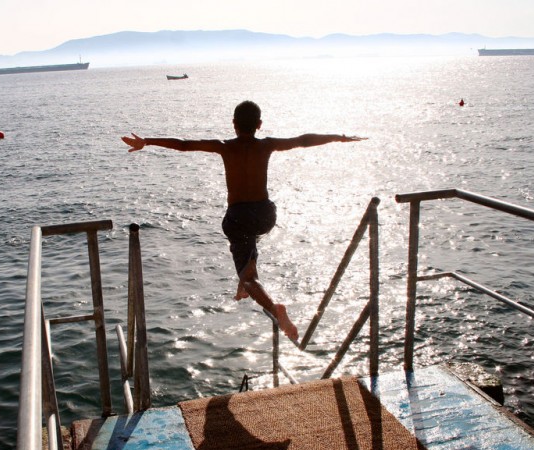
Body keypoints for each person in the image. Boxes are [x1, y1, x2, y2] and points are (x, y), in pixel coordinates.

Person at [121, 100, 365, 342]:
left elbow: (184, 145)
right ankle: (244, 280)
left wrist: (148, 141)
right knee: (250, 238)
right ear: (259, 124)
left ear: (234, 124)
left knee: (248, 271)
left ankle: (272, 307)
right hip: (266, 215)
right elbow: (303, 140)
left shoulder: (225, 147)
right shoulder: (267, 145)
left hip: (239, 217)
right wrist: (339, 137)